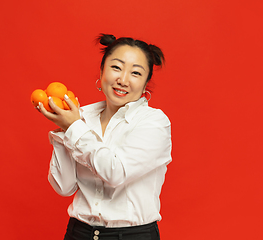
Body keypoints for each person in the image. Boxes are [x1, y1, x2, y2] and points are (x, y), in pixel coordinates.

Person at [37, 34, 172, 240]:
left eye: (136, 73)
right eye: (116, 67)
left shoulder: (154, 123)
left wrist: (73, 127)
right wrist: (63, 128)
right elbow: (64, 187)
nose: (123, 80)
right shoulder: (81, 117)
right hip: (78, 233)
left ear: (145, 84)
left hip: (133, 236)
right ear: (101, 72)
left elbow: (115, 172)